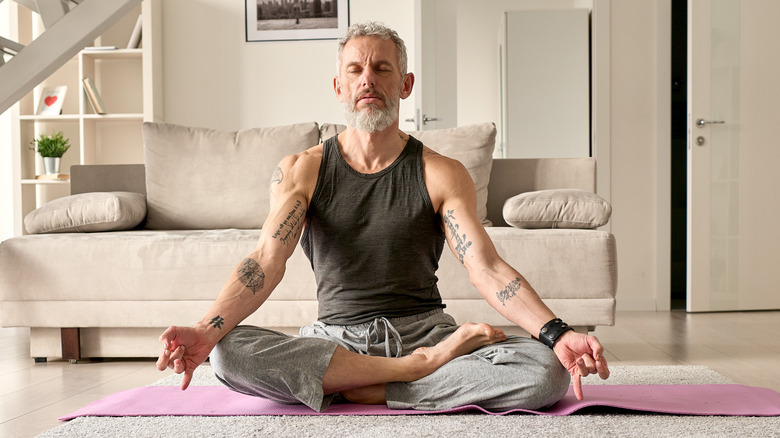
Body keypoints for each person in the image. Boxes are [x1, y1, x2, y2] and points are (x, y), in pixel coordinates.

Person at [156, 21, 609, 412]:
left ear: (405, 85)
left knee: (545, 372)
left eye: (381, 68)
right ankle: (412, 376)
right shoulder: (302, 170)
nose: (367, 80)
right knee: (228, 354)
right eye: (354, 70)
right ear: (339, 87)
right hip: (336, 341)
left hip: (425, 331)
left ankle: (359, 386)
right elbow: (266, 261)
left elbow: (486, 269)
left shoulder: (441, 172)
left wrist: (558, 333)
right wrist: (204, 329)